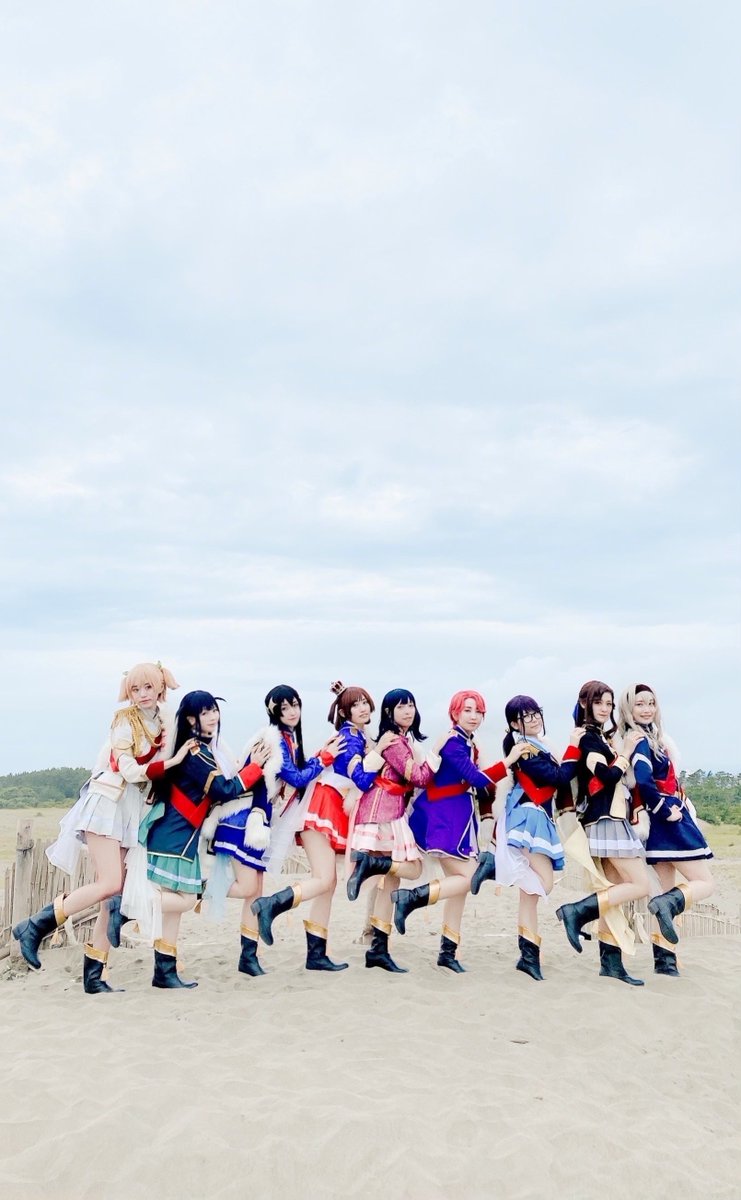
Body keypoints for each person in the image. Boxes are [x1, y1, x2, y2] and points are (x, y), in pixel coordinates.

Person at [14, 662, 186, 992]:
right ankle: (35, 925)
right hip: (107, 804)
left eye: (148, 687)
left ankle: (95, 975)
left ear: (160, 688)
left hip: (130, 813)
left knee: (113, 895)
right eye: (135, 689)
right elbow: (128, 770)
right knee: (109, 883)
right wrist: (172, 763)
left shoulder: (165, 724)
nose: (142, 695)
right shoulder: (124, 721)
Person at [208, 684, 342, 977]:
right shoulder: (274, 741)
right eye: (284, 708)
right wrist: (325, 758)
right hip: (243, 819)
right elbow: (296, 777)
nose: (292, 712)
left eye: (295, 705)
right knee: (248, 888)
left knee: (255, 891)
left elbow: (297, 774)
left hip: (257, 820)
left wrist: (319, 755)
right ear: (274, 712)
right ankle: (194, 890)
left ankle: (248, 957)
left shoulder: (288, 739)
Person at [391, 690, 528, 972]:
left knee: (460, 887)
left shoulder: (467, 741)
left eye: (478, 711)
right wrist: (509, 759)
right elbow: (476, 779)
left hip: (459, 817)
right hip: (443, 816)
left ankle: (448, 952)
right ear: (455, 713)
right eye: (467, 710)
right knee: (468, 879)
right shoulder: (453, 742)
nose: (474, 716)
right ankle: (411, 898)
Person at [253, 682, 385, 971]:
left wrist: (343, 695)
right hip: (322, 806)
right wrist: (379, 756)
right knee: (325, 880)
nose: (363, 708)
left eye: (365, 702)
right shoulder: (348, 739)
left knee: (328, 882)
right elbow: (362, 780)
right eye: (355, 704)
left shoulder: (354, 735)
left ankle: (316, 954)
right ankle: (272, 904)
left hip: (328, 804)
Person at [141, 691, 269, 988]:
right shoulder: (196, 751)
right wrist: (254, 768)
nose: (213, 716)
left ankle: (164, 972)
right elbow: (223, 790)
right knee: (185, 900)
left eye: (214, 710)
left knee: (174, 909)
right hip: (174, 835)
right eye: (205, 712)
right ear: (190, 719)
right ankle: (127, 905)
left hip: (181, 836)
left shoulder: (203, 749)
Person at [470, 695, 582, 980]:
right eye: (526, 716)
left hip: (536, 816)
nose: (534, 719)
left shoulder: (538, 745)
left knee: (530, 894)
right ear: (513, 724)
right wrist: (573, 747)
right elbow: (557, 777)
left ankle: (529, 956)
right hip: (527, 814)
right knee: (544, 883)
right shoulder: (523, 747)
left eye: (536, 713)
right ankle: (494, 867)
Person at [555, 680, 651, 986]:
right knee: (640, 884)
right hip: (605, 818)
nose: (605, 708)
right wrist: (626, 753)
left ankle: (611, 964)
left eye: (609, 704)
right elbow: (607, 776)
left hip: (611, 817)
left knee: (614, 891)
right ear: (585, 703)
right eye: (599, 703)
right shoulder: (587, 739)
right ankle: (577, 911)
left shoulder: (598, 737)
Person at [618, 683, 714, 976]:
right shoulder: (641, 741)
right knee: (704, 883)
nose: (647, 709)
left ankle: (665, 960)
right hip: (666, 819)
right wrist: (663, 808)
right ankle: (666, 905)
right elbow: (643, 781)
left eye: (651, 703)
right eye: (639, 704)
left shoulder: (651, 737)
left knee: (666, 888)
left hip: (657, 823)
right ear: (628, 709)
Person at [345, 688, 439, 973]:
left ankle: (378, 948)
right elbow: (419, 777)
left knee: (391, 882)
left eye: (411, 705)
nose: (408, 711)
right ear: (388, 712)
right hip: (382, 811)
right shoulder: (395, 742)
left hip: (388, 810)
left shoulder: (400, 739)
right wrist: (436, 755)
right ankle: (373, 866)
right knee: (412, 869)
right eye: (400, 707)